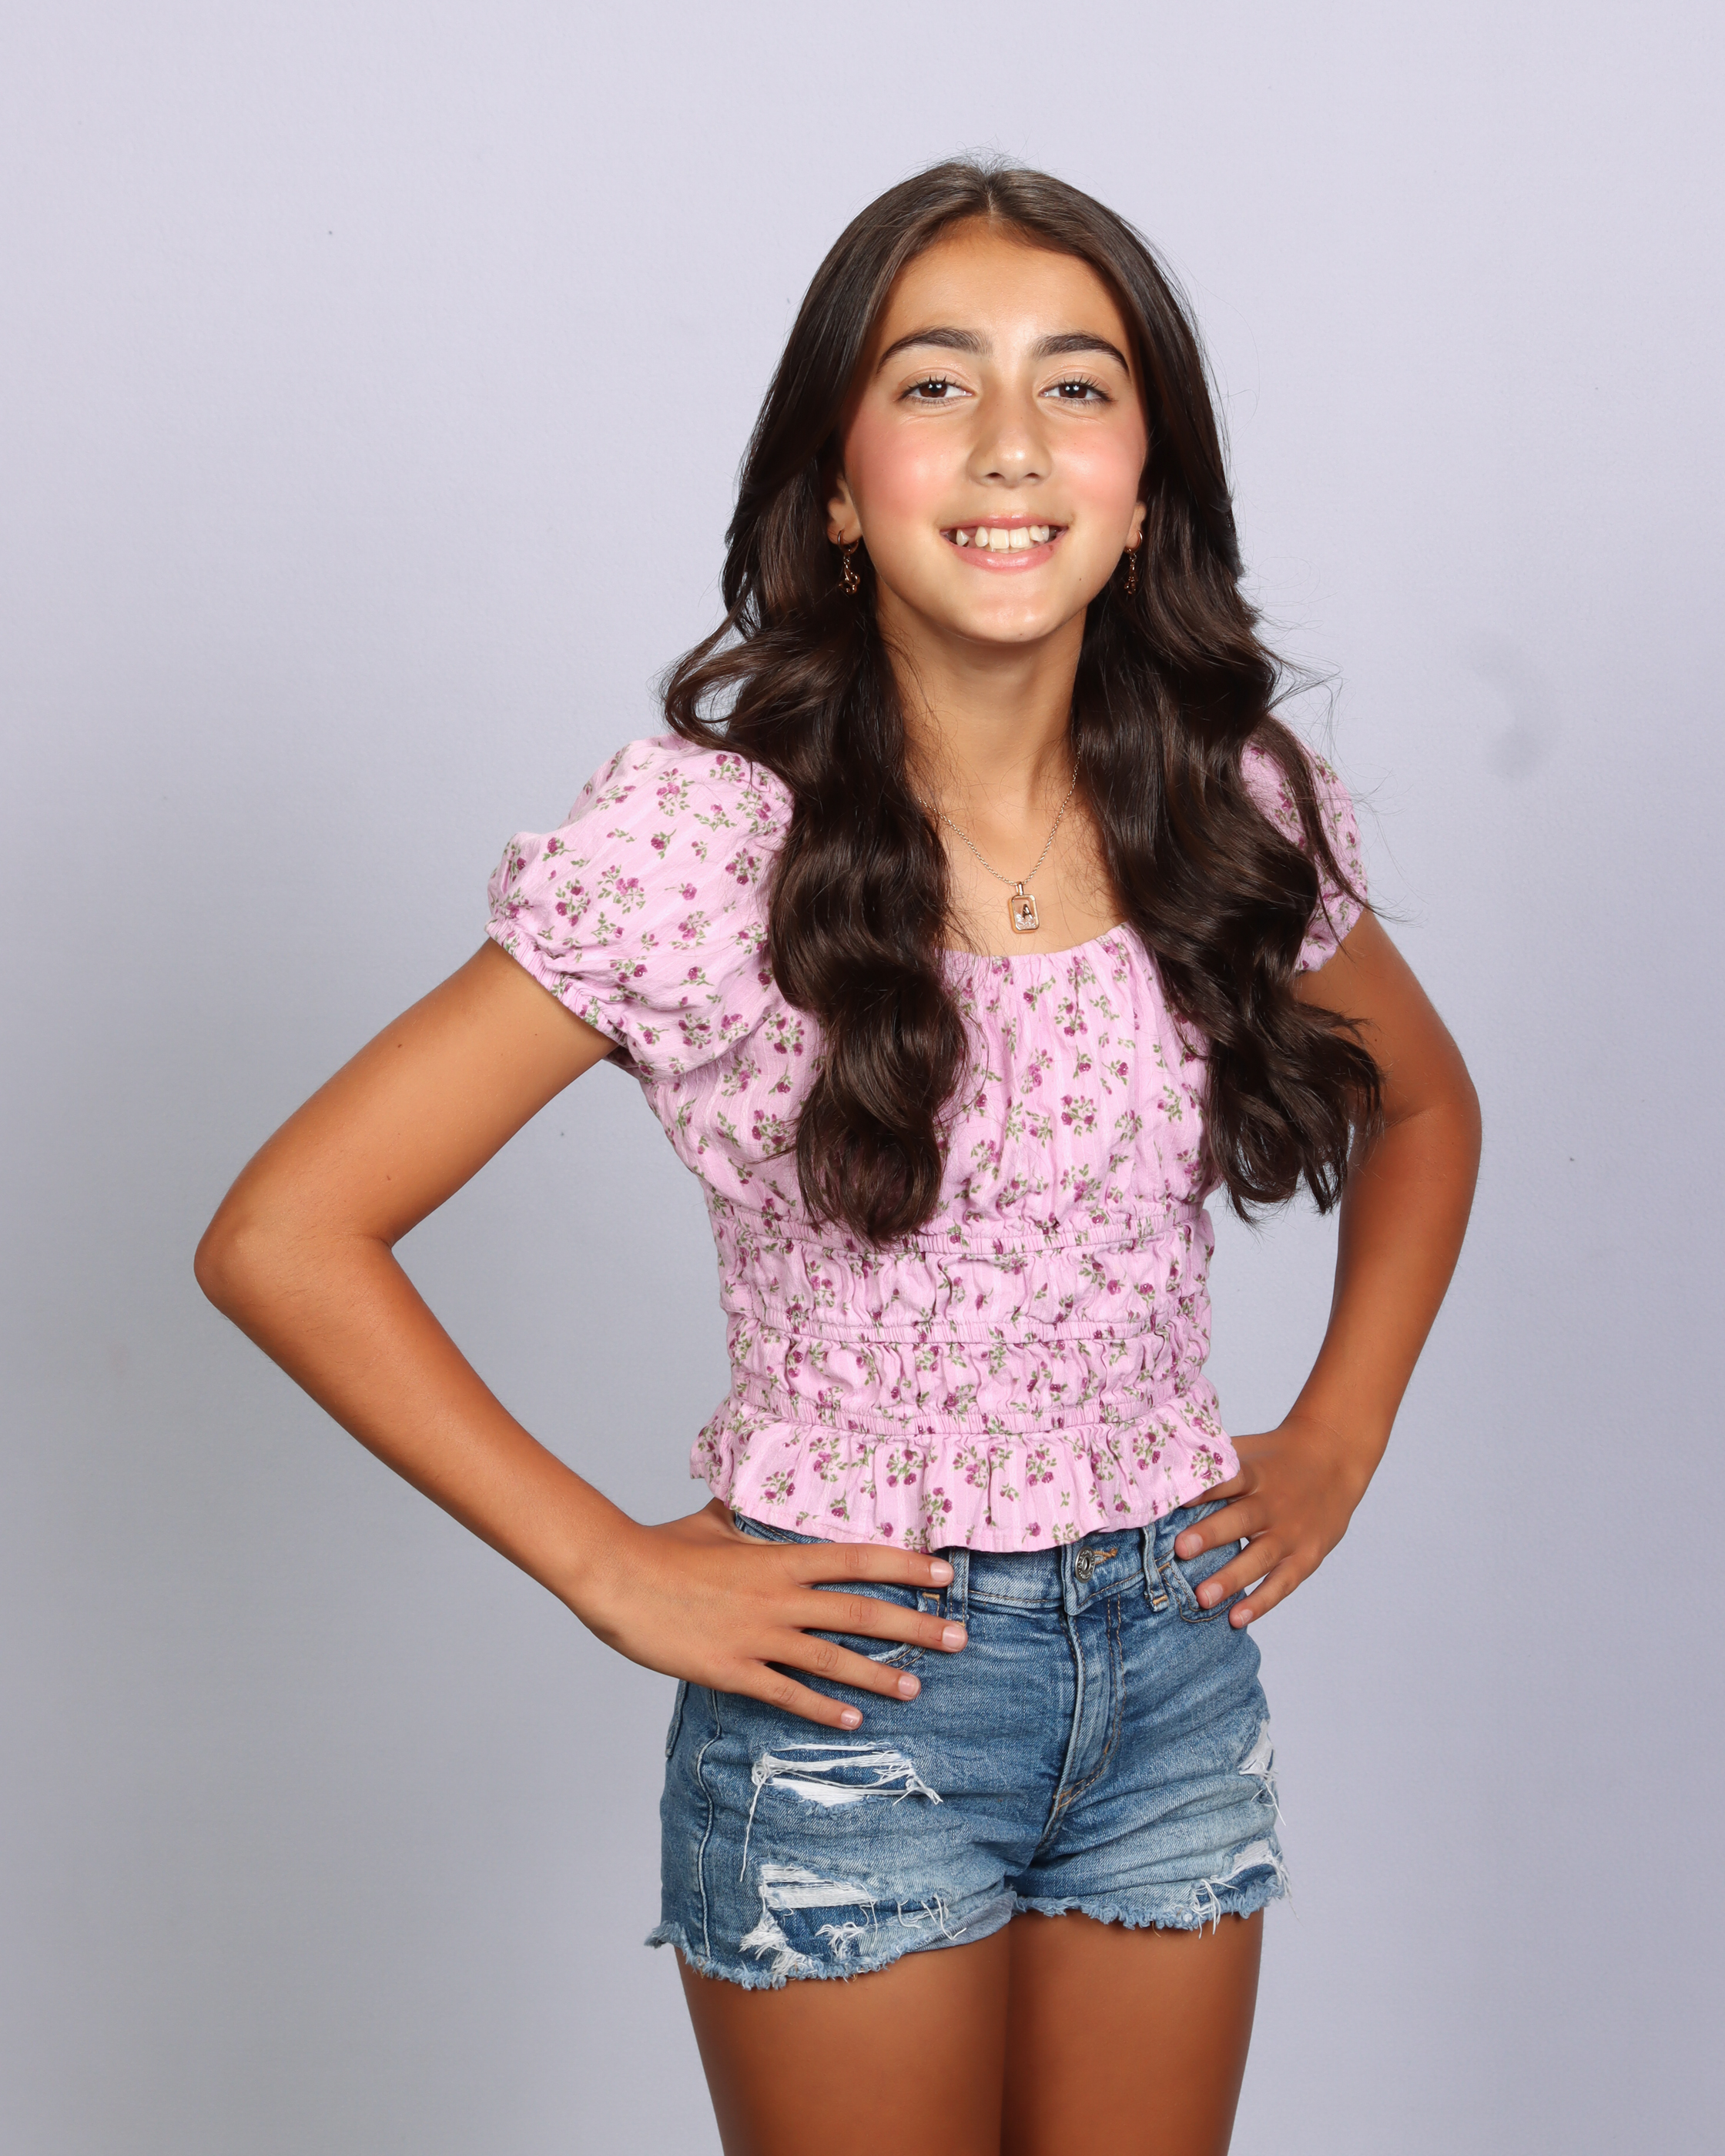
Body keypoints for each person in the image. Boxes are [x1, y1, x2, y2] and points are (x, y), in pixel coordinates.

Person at [196, 158, 1480, 2156]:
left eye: (1077, 385)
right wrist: (610, 1568)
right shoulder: (706, 847)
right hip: (855, 1709)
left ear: (1146, 489)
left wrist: (1340, 1433)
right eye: (935, 382)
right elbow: (286, 1230)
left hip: (1172, 1676)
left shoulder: (1226, 805)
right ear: (835, 490)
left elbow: (1427, 1103)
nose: (1010, 442)